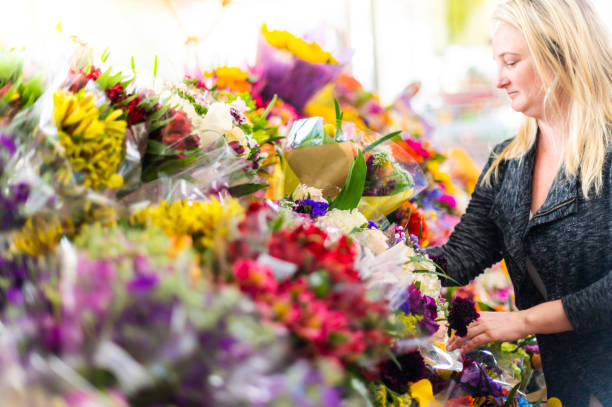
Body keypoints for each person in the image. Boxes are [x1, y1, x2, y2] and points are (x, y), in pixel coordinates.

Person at [425, 0, 612, 405]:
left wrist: (524, 321)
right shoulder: (507, 164)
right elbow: (459, 257)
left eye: (511, 62)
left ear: (560, 56)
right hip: (570, 386)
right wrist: (371, 263)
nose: (499, 80)